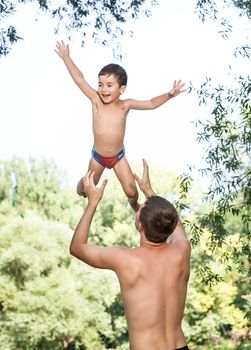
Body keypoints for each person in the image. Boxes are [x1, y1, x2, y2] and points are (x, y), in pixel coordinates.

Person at [70, 159, 191, 350]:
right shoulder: (182, 250)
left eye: (139, 209)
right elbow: (174, 221)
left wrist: (93, 202)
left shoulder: (126, 259)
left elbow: (77, 247)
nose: (139, 206)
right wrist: (149, 191)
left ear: (139, 225)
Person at [55, 40, 186, 212]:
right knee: (87, 188)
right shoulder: (96, 101)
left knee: (132, 192)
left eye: (109, 85)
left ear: (121, 89)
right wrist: (66, 58)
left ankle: (135, 207)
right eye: (100, 84)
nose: (103, 89)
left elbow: (151, 103)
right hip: (98, 157)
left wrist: (169, 95)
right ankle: (81, 185)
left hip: (118, 156)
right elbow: (80, 80)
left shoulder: (126, 105)